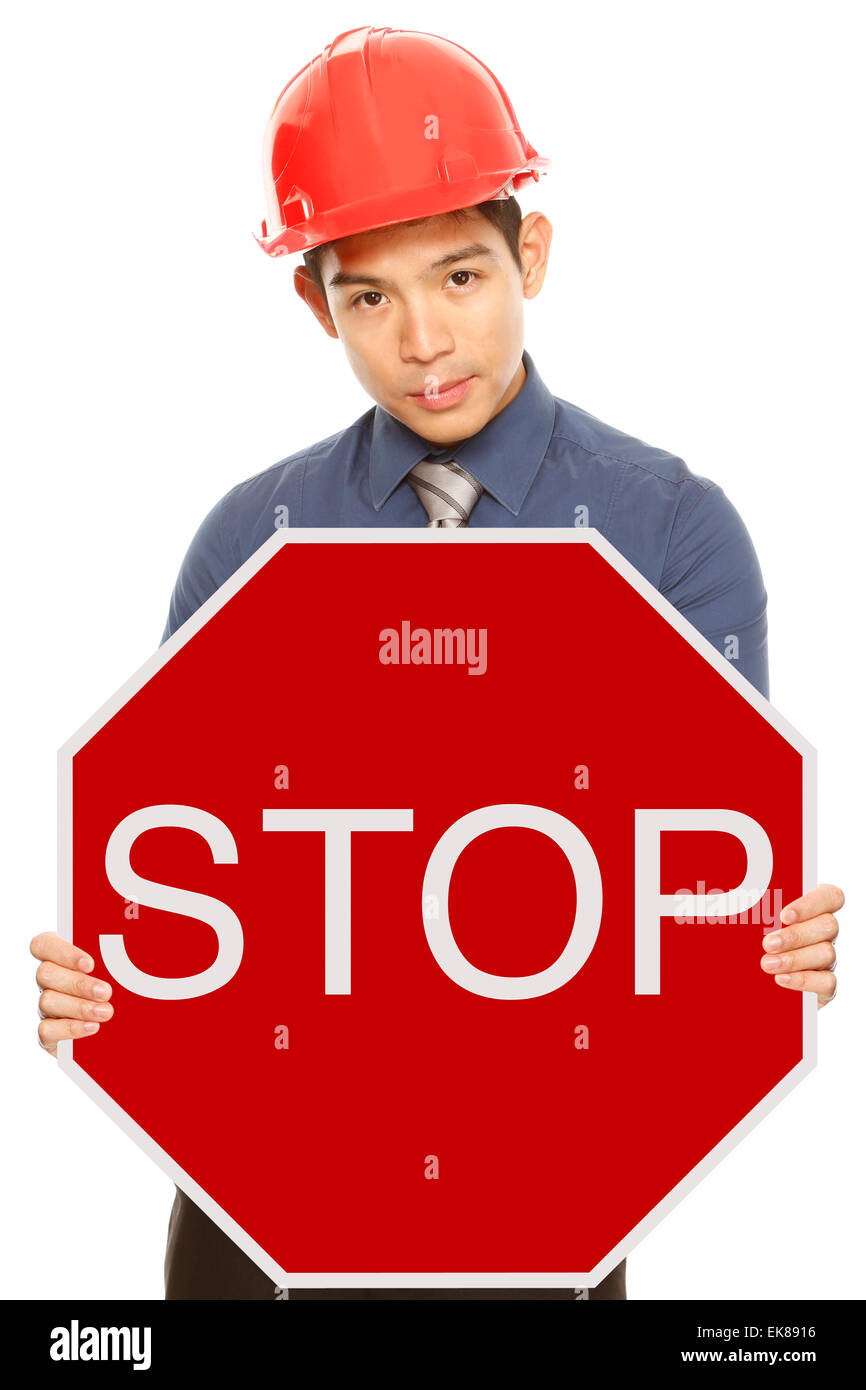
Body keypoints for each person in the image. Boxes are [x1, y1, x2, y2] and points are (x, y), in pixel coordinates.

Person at [32, 24, 843, 1302]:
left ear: (532, 254)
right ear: (315, 305)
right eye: (368, 295)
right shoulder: (249, 538)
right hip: (260, 1194)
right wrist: (106, 981)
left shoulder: (670, 531)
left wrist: (765, 950)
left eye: (460, 275)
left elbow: (697, 885)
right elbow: (190, 863)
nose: (421, 338)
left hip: (542, 1185)